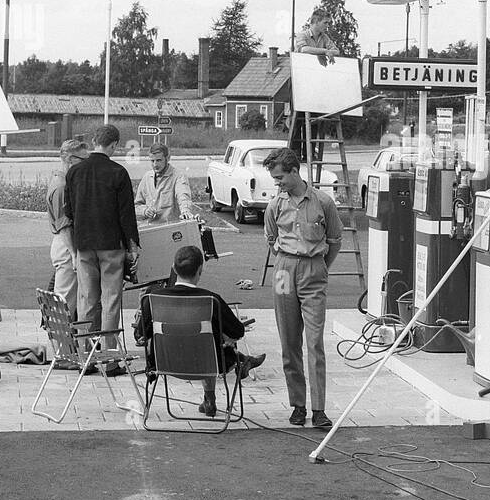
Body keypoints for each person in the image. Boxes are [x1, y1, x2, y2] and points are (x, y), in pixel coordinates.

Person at [262, 146, 342, 429]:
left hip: (313, 269)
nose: (278, 183)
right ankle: (298, 405)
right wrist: (286, 262)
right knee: (289, 342)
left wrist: (319, 269)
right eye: (275, 179)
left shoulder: (323, 201)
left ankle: (318, 409)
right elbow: (271, 238)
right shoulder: (275, 204)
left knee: (314, 342)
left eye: (281, 177)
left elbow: (335, 240)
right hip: (284, 270)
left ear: (295, 171)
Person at [139, 245, 265, 417]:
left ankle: (210, 397)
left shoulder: (152, 298)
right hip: (207, 362)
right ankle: (217, 389)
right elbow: (238, 331)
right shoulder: (211, 299)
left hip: (164, 361)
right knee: (210, 339)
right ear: (200, 270)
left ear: (174, 268)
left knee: (206, 338)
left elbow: (140, 335)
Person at [63, 124, 140, 373]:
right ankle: (109, 359)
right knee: (111, 300)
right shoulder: (118, 173)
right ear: (114, 145)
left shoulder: (74, 172)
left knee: (87, 299)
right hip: (110, 245)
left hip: (84, 245)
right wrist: (133, 245)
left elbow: (69, 212)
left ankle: (85, 357)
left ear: (94, 141)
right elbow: (126, 215)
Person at [45, 135, 89, 341]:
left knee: (65, 298)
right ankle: (62, 349)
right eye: (83, 160)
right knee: (65, 301)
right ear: (71, 160)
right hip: (66, 245)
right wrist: (73, 254)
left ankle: (63, 346)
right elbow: (64, 225)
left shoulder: (61, 180)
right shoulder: (62, 185)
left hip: (64, 243)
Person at [135, 143, 196, 223]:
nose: (155, 165)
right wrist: (145, 211)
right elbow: (136, 206)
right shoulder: (147, 177)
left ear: (167, 158)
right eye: (152, 161)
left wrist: (185, 211)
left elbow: (183, 196)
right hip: (149, 228)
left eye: (159, 160)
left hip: (170, 229)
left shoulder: (178, 176)